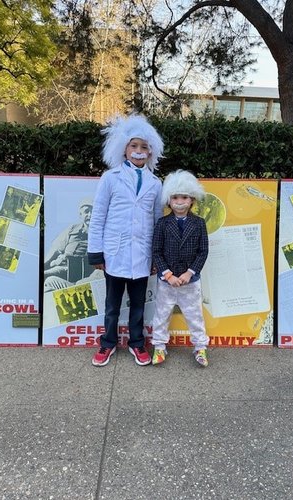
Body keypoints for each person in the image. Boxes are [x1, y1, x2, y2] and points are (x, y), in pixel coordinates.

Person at [88, 114, 163, 367]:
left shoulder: (155, 183)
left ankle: (137, 343)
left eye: (144, 147)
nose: (138, 151)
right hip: (115, 253)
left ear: (150, 152)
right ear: (123, 149)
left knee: (139, 306)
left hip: (141, 255)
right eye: (134, 146)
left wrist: (155, 256)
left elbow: (156, 221)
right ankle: (107, 343)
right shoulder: (110, 178)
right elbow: (98, 216)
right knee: (112, 305)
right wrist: (96, 253)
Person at [151, 169, 210, 367]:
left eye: (184, 197)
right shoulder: (162, 224)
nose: (179, 201)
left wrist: (189, 272)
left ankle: (200, 347)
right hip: (167, 281)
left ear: (192, 200)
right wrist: (167, 274)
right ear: (169, 200)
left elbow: (203, 251)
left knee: (195, 315)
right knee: (161, 314)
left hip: (190, 281)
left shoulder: (199, 224)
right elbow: (156, 251)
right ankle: (159, 346)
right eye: (175, 197)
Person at [44, 198, 93, 282]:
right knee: (43, 275)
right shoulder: (72, 229)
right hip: (64, 266)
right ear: (80, 214)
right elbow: (56, 249)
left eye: (93, 212)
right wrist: (45, 264)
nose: (90, 215)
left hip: (84, 271)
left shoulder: (101, 234)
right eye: (86, 211)